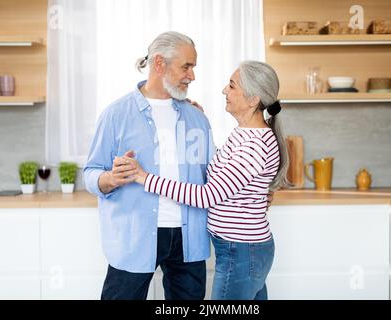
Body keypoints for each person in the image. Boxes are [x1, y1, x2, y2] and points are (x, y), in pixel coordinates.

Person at [129, 60, 291, 300]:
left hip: (242, 252)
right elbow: (222, 169)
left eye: (232, 86)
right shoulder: (245, 133)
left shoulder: (255, 143)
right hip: (242, 251)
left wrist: (144, 177)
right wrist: (201, 123)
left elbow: (207, 195)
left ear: (253, 99)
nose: (224, 90)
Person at [84, 31, 216, 300]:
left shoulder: (197, 118)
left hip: (188, 236)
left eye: (193, 67)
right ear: (159, 63)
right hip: (135, 236)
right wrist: (110, 178)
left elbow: (212, 175)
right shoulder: (115, 115)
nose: (192, 76)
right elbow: (90, 173)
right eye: (186, 66)